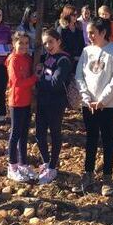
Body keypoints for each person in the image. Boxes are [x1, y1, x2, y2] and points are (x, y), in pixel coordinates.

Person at [73, 18, 113, 196]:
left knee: (107, 138)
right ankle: (88, 174)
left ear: (103, 33)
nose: (90, 36)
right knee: (91, 138)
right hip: (89, 104)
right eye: (88, 33)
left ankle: (107, 177)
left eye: (93, 33)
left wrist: (102, 100)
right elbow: (79, 75)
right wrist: (87, 97)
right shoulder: (86, 50)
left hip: (108, 105)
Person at [35, 29, 73, 184]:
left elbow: (55, 83)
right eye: (45, 43)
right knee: (39, 133)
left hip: (56, 103)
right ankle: (46, 162)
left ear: (58, 41)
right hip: (42, 101)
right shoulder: (47, 57)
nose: (48, 45)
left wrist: (38, 80)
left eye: (51, 41)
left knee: (55, 133)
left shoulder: (63, 60)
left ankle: (53, 166)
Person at [6, 32, 38, 182]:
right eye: (21, 43)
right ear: (14, 44)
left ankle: (23, 163)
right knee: (15, 134)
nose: (24, 46)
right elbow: (17, 82)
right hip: (17, 101)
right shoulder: (13, 60)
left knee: (24, 134)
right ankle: (12, 166)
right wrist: (35, 78)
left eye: (26, 43)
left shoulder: (27, 58)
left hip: (27, 101)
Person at [57, 4, 85, 72]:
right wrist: (73, 57)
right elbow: (61, 47)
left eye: (76, 14)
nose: (76, 17)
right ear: (67, 15)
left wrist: (81, 57)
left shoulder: (78, 28)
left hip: (79, 61)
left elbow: (82, 44)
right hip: (66, 61)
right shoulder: (61, 29)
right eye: (73, 15)